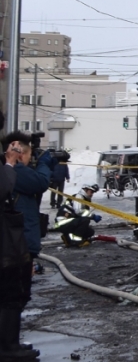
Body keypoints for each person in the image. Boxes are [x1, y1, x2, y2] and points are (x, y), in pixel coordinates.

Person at [1, 138, 37, 359]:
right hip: (7, 240)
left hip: (11, 236)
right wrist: (11, 164)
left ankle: (10, 343)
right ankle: (7, 347)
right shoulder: (9, 167)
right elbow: (5, 188)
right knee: (11, 293)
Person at [9, 134, 49, 264]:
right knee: (18, 282)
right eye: (29, 155)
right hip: (19, 244)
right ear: (20, 155)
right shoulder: (15, 170)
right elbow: (40, 183)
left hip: (15, 243)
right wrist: (43, 163)